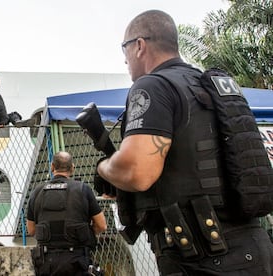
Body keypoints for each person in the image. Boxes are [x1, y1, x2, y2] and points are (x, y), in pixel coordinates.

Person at [96, 9, 273, 275]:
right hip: (250, 247)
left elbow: (138, 172)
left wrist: (105, 167)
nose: (125, 61)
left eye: (125, 50)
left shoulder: (153, 86)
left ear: (139, 46)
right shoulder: (213, 86)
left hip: (200, 256)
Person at [27, 151, 107, 275]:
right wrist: (85, 233)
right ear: (72, 168)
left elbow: (31, 230)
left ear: (52, 166)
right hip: (77, 261)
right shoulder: (83, 189)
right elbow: (102, 225)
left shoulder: (37, 192)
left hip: (46, 262)